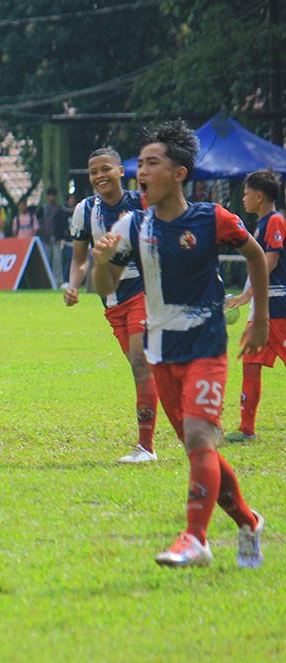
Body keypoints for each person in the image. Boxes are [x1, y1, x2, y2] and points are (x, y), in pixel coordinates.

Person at [92, 120, 266, 569]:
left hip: (206, 347)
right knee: (199, 448)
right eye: (140, 164)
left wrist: (260, 317)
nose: (140, 172)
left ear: (179, 173)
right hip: (161, 351)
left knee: (197, 437)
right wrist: (103, 259)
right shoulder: (135, 225)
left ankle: (195, 538)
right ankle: (248, 521)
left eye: (152, 163)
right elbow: (103, 285)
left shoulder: (213, 219)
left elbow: (255, 256)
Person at [65, 147, 158, 464]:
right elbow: (79, 257)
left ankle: (145, 447)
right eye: (93, 172)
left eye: (106, 168)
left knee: (140, 363)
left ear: (121, 171)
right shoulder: (85, 209)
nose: (99, 175)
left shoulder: (141, 203)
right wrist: (73, 286)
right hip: (111, 301)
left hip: (144, 294)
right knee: (143, 367)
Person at [224, 168, 286, 442]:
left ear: (259, 196)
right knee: (250, 363)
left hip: (278, 308)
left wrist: (247, 294)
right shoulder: (262, 223)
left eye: (247, 194)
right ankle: (247, 428)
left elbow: (269, 262)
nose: (244, 199)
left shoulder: (275, 221)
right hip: (265, 307)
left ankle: (247, 427)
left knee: (251, 363)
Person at [37, 187, 65, 283]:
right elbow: (37, 221)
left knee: (57, 260)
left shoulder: (60, 209)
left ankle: (58, 280)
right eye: (50, 195)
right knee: (46, 259)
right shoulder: (44, 209)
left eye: (53, 195)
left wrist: (60, 237)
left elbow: (62, 224)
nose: (52, 197)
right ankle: (46, 280)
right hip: (46, 237)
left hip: (56, 237)